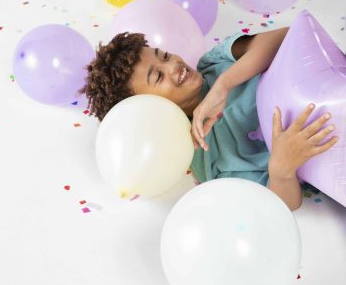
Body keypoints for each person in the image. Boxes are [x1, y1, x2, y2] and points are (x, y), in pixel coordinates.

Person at [78, 30, 338, 211]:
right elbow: (282, 204)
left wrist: (224, 85)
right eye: (158, 77)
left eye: (165, 55)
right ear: (147, 110)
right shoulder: (207, 157)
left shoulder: (215, 63)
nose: (173, 67)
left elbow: (287, 37)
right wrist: (283, 169)